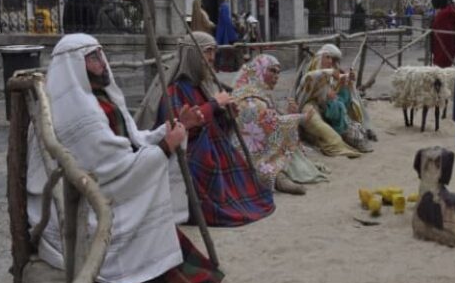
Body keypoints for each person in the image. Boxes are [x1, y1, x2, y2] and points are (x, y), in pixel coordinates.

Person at [27, 34, 222, 283]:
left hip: (103, 183)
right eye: (93, 58)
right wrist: (166, 146)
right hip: (85, 201)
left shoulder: (97, 96)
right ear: (75, 66)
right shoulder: (80, 110)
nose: (102, 63)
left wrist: (176, 127)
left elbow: (132, 141)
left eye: (101, 55)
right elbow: (113, 169)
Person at [136, 32, 275, 227]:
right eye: (207, 51)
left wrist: (227, 116)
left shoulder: (202, 87)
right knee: (208, 165)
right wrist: (213, 105)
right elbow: (180, 129)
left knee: (251, 189)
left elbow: (214, 124)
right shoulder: (173, 91)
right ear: (193, 55)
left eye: (213, 52)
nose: (212, 58)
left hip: (215, 147)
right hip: (190, 155)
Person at [231, 54, 329, 195]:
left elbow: (272, 118)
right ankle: (277, 176)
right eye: (272, 71)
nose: (277, 76)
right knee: (280, 149)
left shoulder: (261, 93)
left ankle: (280, 173)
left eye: (278, 72)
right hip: (247, 151)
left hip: (261, 143)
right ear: (259, 70)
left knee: (287, 144)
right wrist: (299, 118)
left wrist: (289, 113)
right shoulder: (250, 98)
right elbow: (270, 125)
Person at [295, 43, 374, 154]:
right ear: (320, 57)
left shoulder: (331, 72)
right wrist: (331, 75)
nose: (330, 61)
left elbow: (335, 90)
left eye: (332, 59)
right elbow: (309, 78)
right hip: (312, 106)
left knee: (345, 96)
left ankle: (352, 131)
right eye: (327, 57)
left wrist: (346, 83)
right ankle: (336, 139)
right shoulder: (313, 71)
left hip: (330, 108)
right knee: (315, 120)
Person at [431, 2, 455, 68]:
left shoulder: (447, 11)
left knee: (441, 61)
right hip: (446, 40)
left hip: (443, 40)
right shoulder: (451, 10)